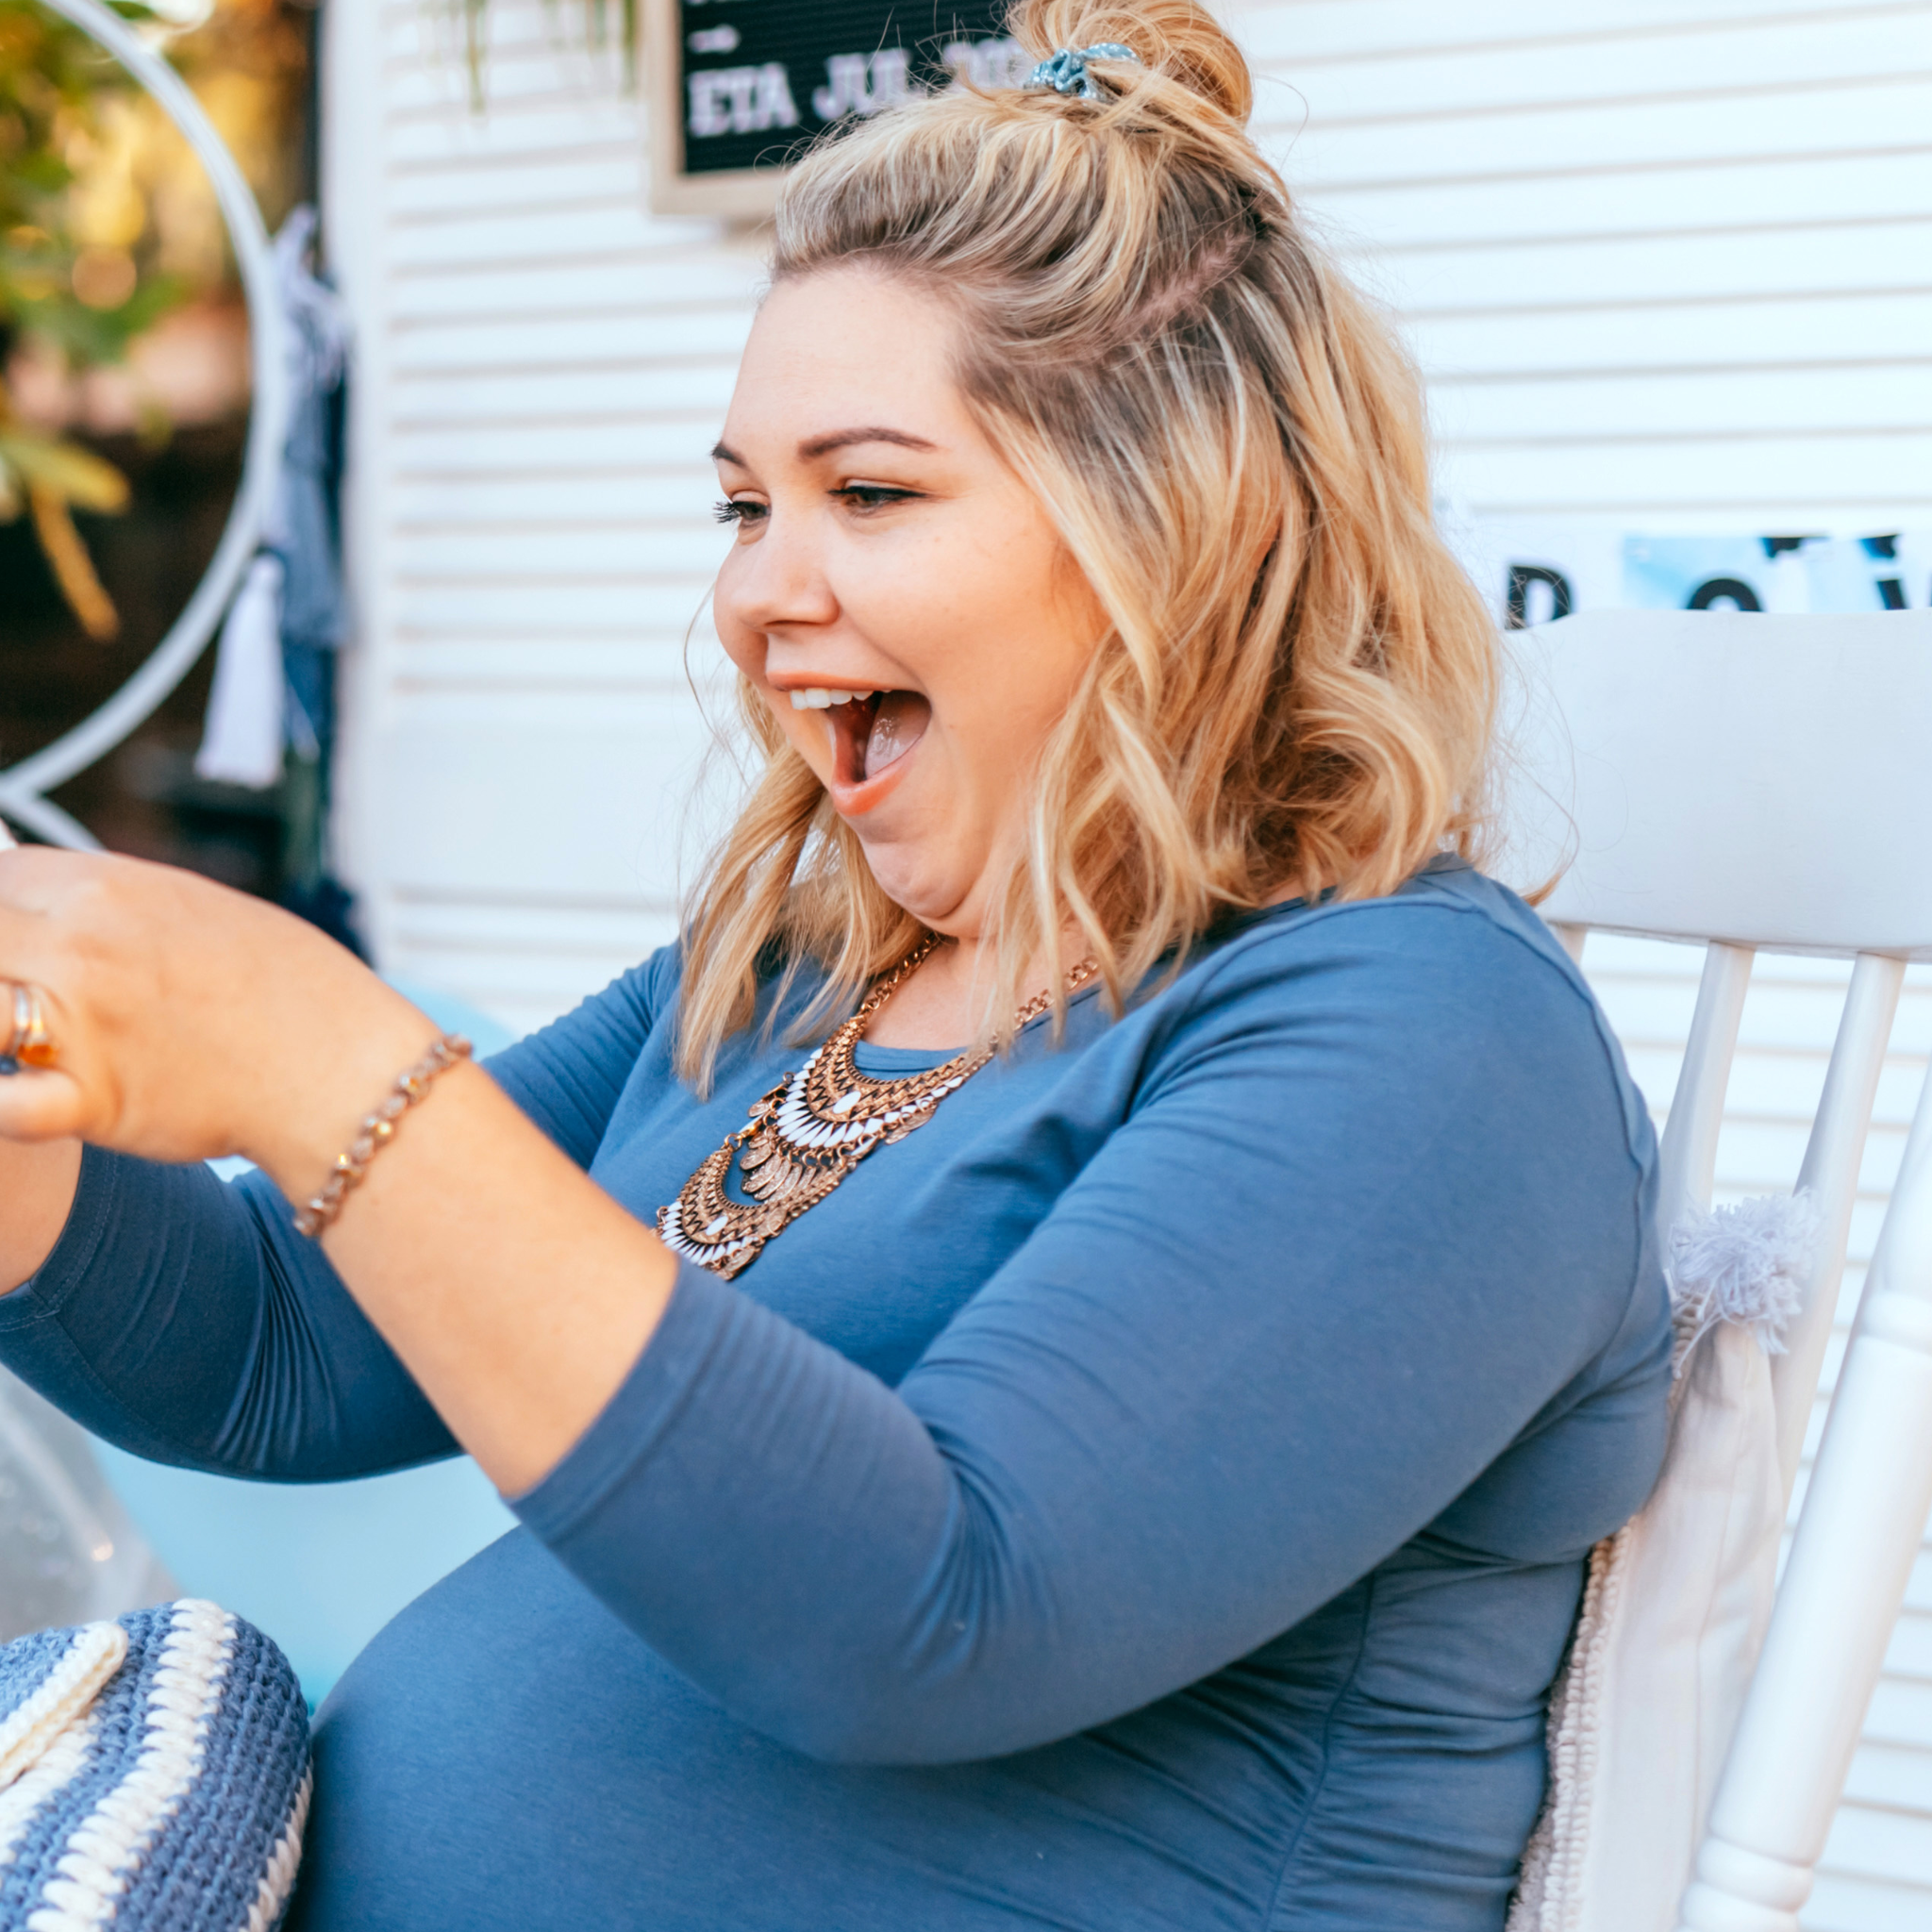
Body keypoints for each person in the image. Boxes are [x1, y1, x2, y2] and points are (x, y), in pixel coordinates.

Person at [0, 3, 1671, 1925]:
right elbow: (283, 1345)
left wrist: (327, 1064)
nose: (754, 595)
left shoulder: (1416, 1037)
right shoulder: (796, 975)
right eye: (742, 503)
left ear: (1183, 531)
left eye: (867, 493)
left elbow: (930, 1611)